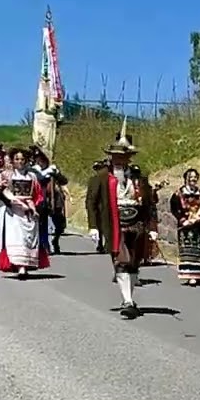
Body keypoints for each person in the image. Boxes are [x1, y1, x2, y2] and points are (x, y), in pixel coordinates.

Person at [85, 123, 158, 319]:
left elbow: (150, 204)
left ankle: (129, 296)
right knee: (121, 261)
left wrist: (152, 227)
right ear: (111, 157)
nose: (119, 160)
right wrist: (93, 227)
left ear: (128, 158)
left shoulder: (138, 178)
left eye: (123, 157)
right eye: (116, 156)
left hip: (137, 225)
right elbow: (91, 203)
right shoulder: (100, 178)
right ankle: (127, 300)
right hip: (114, 226)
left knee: (134, 263)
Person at [0, 147, 49, 278]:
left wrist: (34, 207)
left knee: (28, 238)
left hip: (28, 210)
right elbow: (1, 192)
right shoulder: (7, 175)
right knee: (16, 238)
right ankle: (20, 267)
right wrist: (12, 200)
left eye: (22, 159)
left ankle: (26, 263)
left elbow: (38, 194)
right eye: (17, 159)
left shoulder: (32, 176)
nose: (20, 161)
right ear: (12, 161)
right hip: (14, 211)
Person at [169, 168, 200, 285]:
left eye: (195, 177)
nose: (193, 179)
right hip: (185, 227)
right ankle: (189, 275)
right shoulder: (179, 193)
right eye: (191, 177)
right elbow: (174, 208)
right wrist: (183, 220)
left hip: (199, 226)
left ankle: (199, 274)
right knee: (187, 250)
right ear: (186, 179)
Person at [31, 147, 69, 255]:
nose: (40, 161)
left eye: (42, 159)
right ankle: (44, 245)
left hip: (54, 200)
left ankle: (55, 240)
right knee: (42, 225)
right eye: (38, 159)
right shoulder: (33, 170)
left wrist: (56, 173)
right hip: (41, 200)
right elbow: (38, 180)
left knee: (59, 225)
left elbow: (64, 181)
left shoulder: (52, 169)